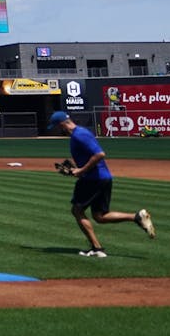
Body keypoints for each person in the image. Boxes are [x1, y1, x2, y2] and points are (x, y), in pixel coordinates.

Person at [49, 110, 155, 257]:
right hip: (101, 177)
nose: (56, 131)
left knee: (77, 211)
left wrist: (81, 171)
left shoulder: (79, 135)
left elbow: (100, 154)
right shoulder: (79, 133)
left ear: (61, 125)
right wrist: (77, 169)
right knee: (100, 216)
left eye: (55, 127)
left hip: (93, 179)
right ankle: (136, 217)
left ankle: (97, 248)